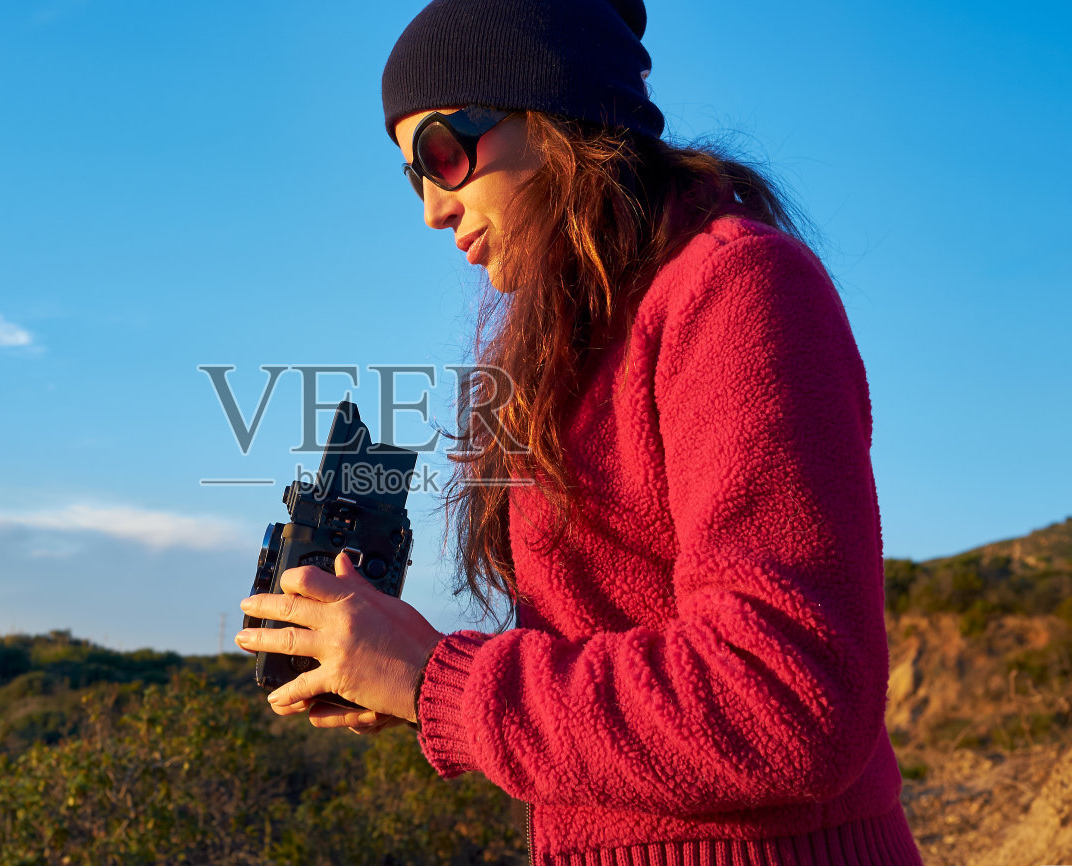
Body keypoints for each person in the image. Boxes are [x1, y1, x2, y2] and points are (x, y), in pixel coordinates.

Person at [236, 0, 928, 862]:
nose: (430, 211)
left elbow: (784, 700)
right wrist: (397, 672)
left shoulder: (738, 288)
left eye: (442, 154)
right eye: (411, 177)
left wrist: (435, 682)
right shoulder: (583, 339)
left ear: (555, 112)